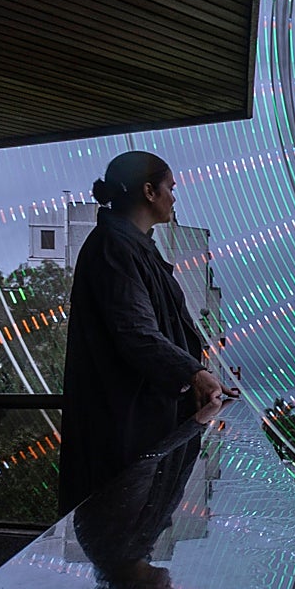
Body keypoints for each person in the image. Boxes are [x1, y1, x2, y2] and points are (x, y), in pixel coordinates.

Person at [59, 151, 235, 515]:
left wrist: (197, 376)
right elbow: (136, 333)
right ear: (149, 191)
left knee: (127, 524)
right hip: (124, 432)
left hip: (130, 426)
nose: (175, 197)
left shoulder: (126, 246)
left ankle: (128, 565)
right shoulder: (115, 248)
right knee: (122, 521)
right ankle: (127, 567)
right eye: (170, 187)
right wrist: (195, 374)